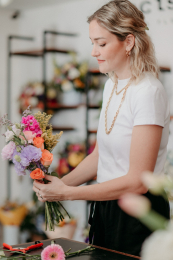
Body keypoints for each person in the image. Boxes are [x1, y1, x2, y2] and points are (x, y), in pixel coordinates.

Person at [33, 0, 170, 256]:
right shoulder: (112, 85)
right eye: (92, 42)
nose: (94, 51)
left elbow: (137, 181)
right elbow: (100, 157)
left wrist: (68, 194)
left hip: (138, 212)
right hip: (106, 206)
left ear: (128, 42)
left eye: (102, 43)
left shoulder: (148, 92)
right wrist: (58, 185)